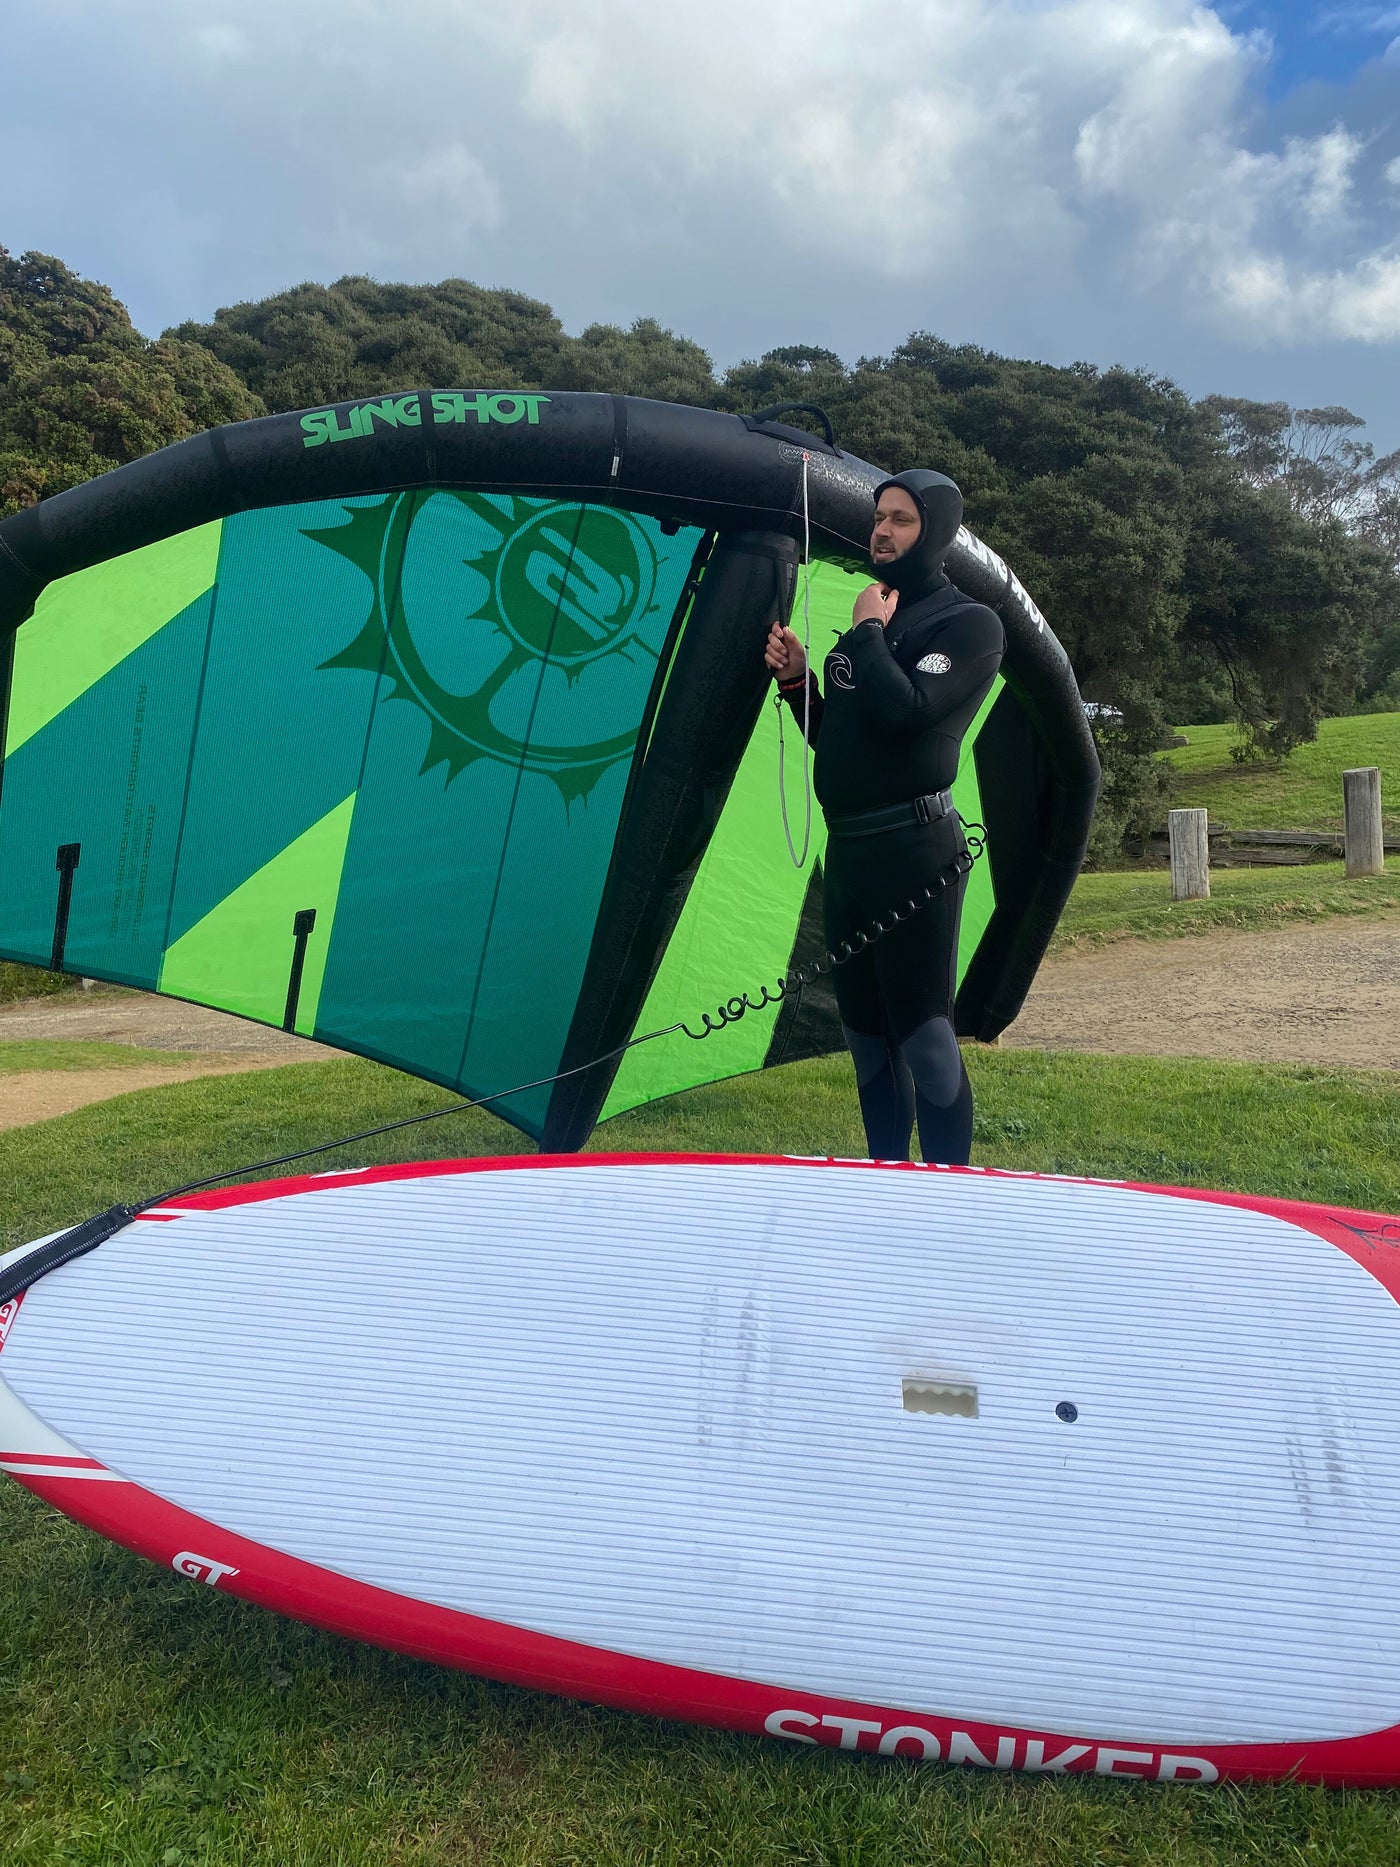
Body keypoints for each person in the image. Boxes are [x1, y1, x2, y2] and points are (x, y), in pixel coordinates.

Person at [763, 471, 1004, 1165]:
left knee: (925, 1036)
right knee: (865, 1038)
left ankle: (950, 1191)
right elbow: (844, 738)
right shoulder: (869, 624)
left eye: (901, 519)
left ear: (935, 531)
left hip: (916, 848)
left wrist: (868, 629)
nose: (882, 530)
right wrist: (798, 682)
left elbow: (909, 714)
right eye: (878, 517)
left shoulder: (969, 624)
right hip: (851, 856)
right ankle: (885, 1181)